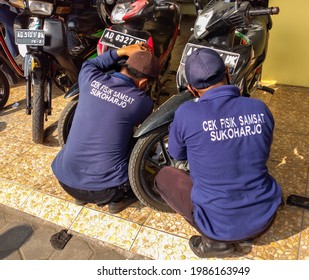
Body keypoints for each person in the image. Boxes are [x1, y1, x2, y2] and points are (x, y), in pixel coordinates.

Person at [154, 48, 283, 258]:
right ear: (228, 72)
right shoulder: (259, 108)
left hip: (217, 226)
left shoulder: (186, 113)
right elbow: (261, 148)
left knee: (164, 177)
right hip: (265, 218)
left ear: (191, 89)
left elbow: (177, 154)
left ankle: (214, 243)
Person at [51, 43, 159, 214]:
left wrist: (121, 51)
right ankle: (118, 200)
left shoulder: (90, 78)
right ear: (144, 82)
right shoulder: (142, 102)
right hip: (106, 190)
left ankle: (81, 195)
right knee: (137, 144)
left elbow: (90, 63)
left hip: (65, 180)